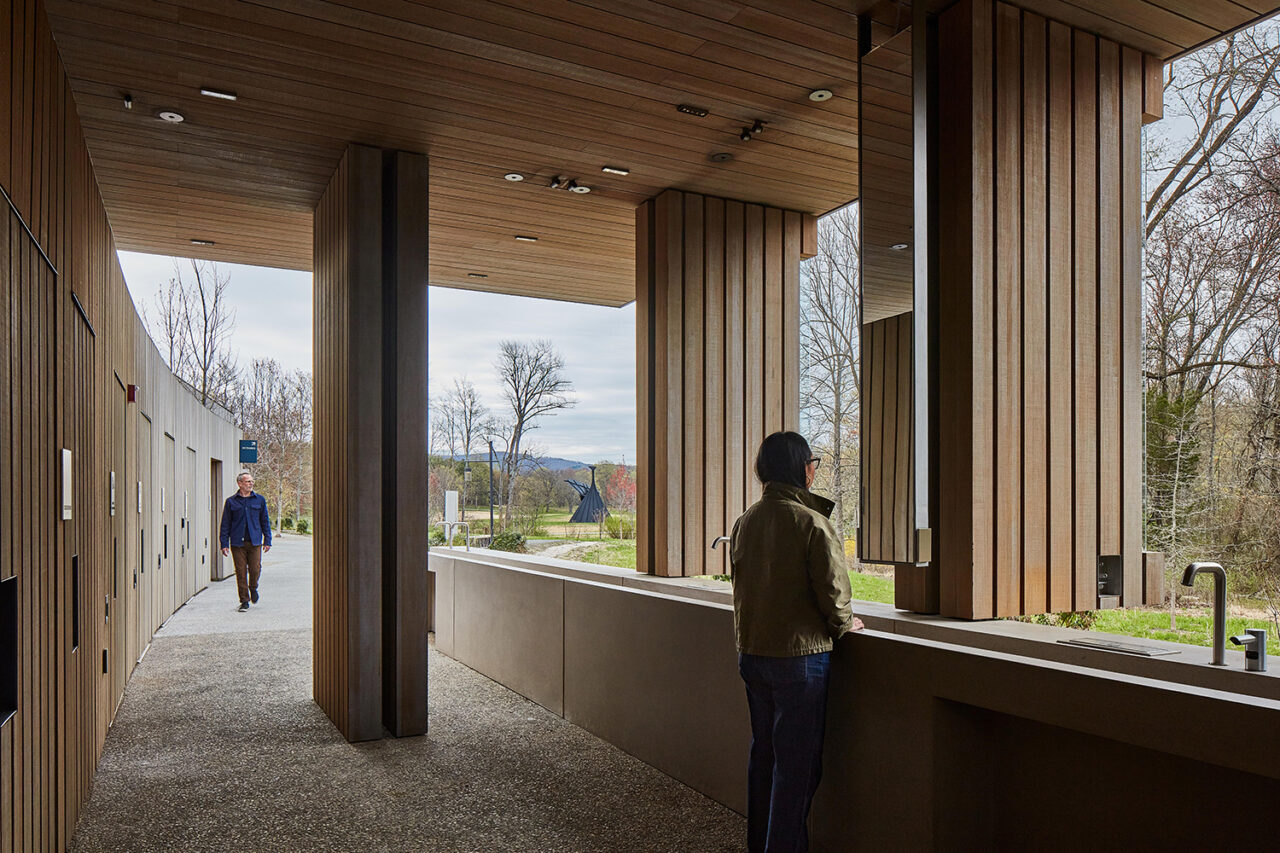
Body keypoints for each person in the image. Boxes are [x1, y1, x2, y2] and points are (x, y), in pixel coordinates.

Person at [729, 431, 865, 853]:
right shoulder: (812, 523)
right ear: (802, 469)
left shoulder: (745, 522)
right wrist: (846, 625)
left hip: (752, 653)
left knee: (764, 760)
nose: (814, 470)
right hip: (800, 661)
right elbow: (833, 594)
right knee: (797, 769)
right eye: (813, 463)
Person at [219, 471, 272, 612]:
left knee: (255, 569)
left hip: (255, 542)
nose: (251, 483)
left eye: (252, 481)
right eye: (248, 481)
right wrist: (224, 544)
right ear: (240, 483)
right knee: (241, 572)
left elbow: (265, 521)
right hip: (238, 543)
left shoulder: (259, 500)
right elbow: (225, 524)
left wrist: (268, 539)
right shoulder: (231, 502)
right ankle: (244, 601)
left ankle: (253, 588)